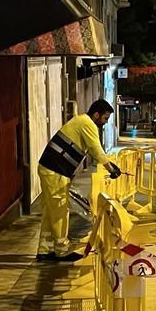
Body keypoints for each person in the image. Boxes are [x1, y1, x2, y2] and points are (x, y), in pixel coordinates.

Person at [36, 99, 122, 262]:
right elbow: (96, 150)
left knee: (51, 212)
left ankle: (45, 249)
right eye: (104, 119)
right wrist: (111, 169)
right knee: (60, 211)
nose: (104, 123)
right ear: (96, 114)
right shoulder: (87, 123)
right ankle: (62, 249)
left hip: (51, 169)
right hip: (55, 171)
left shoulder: (81, 121)